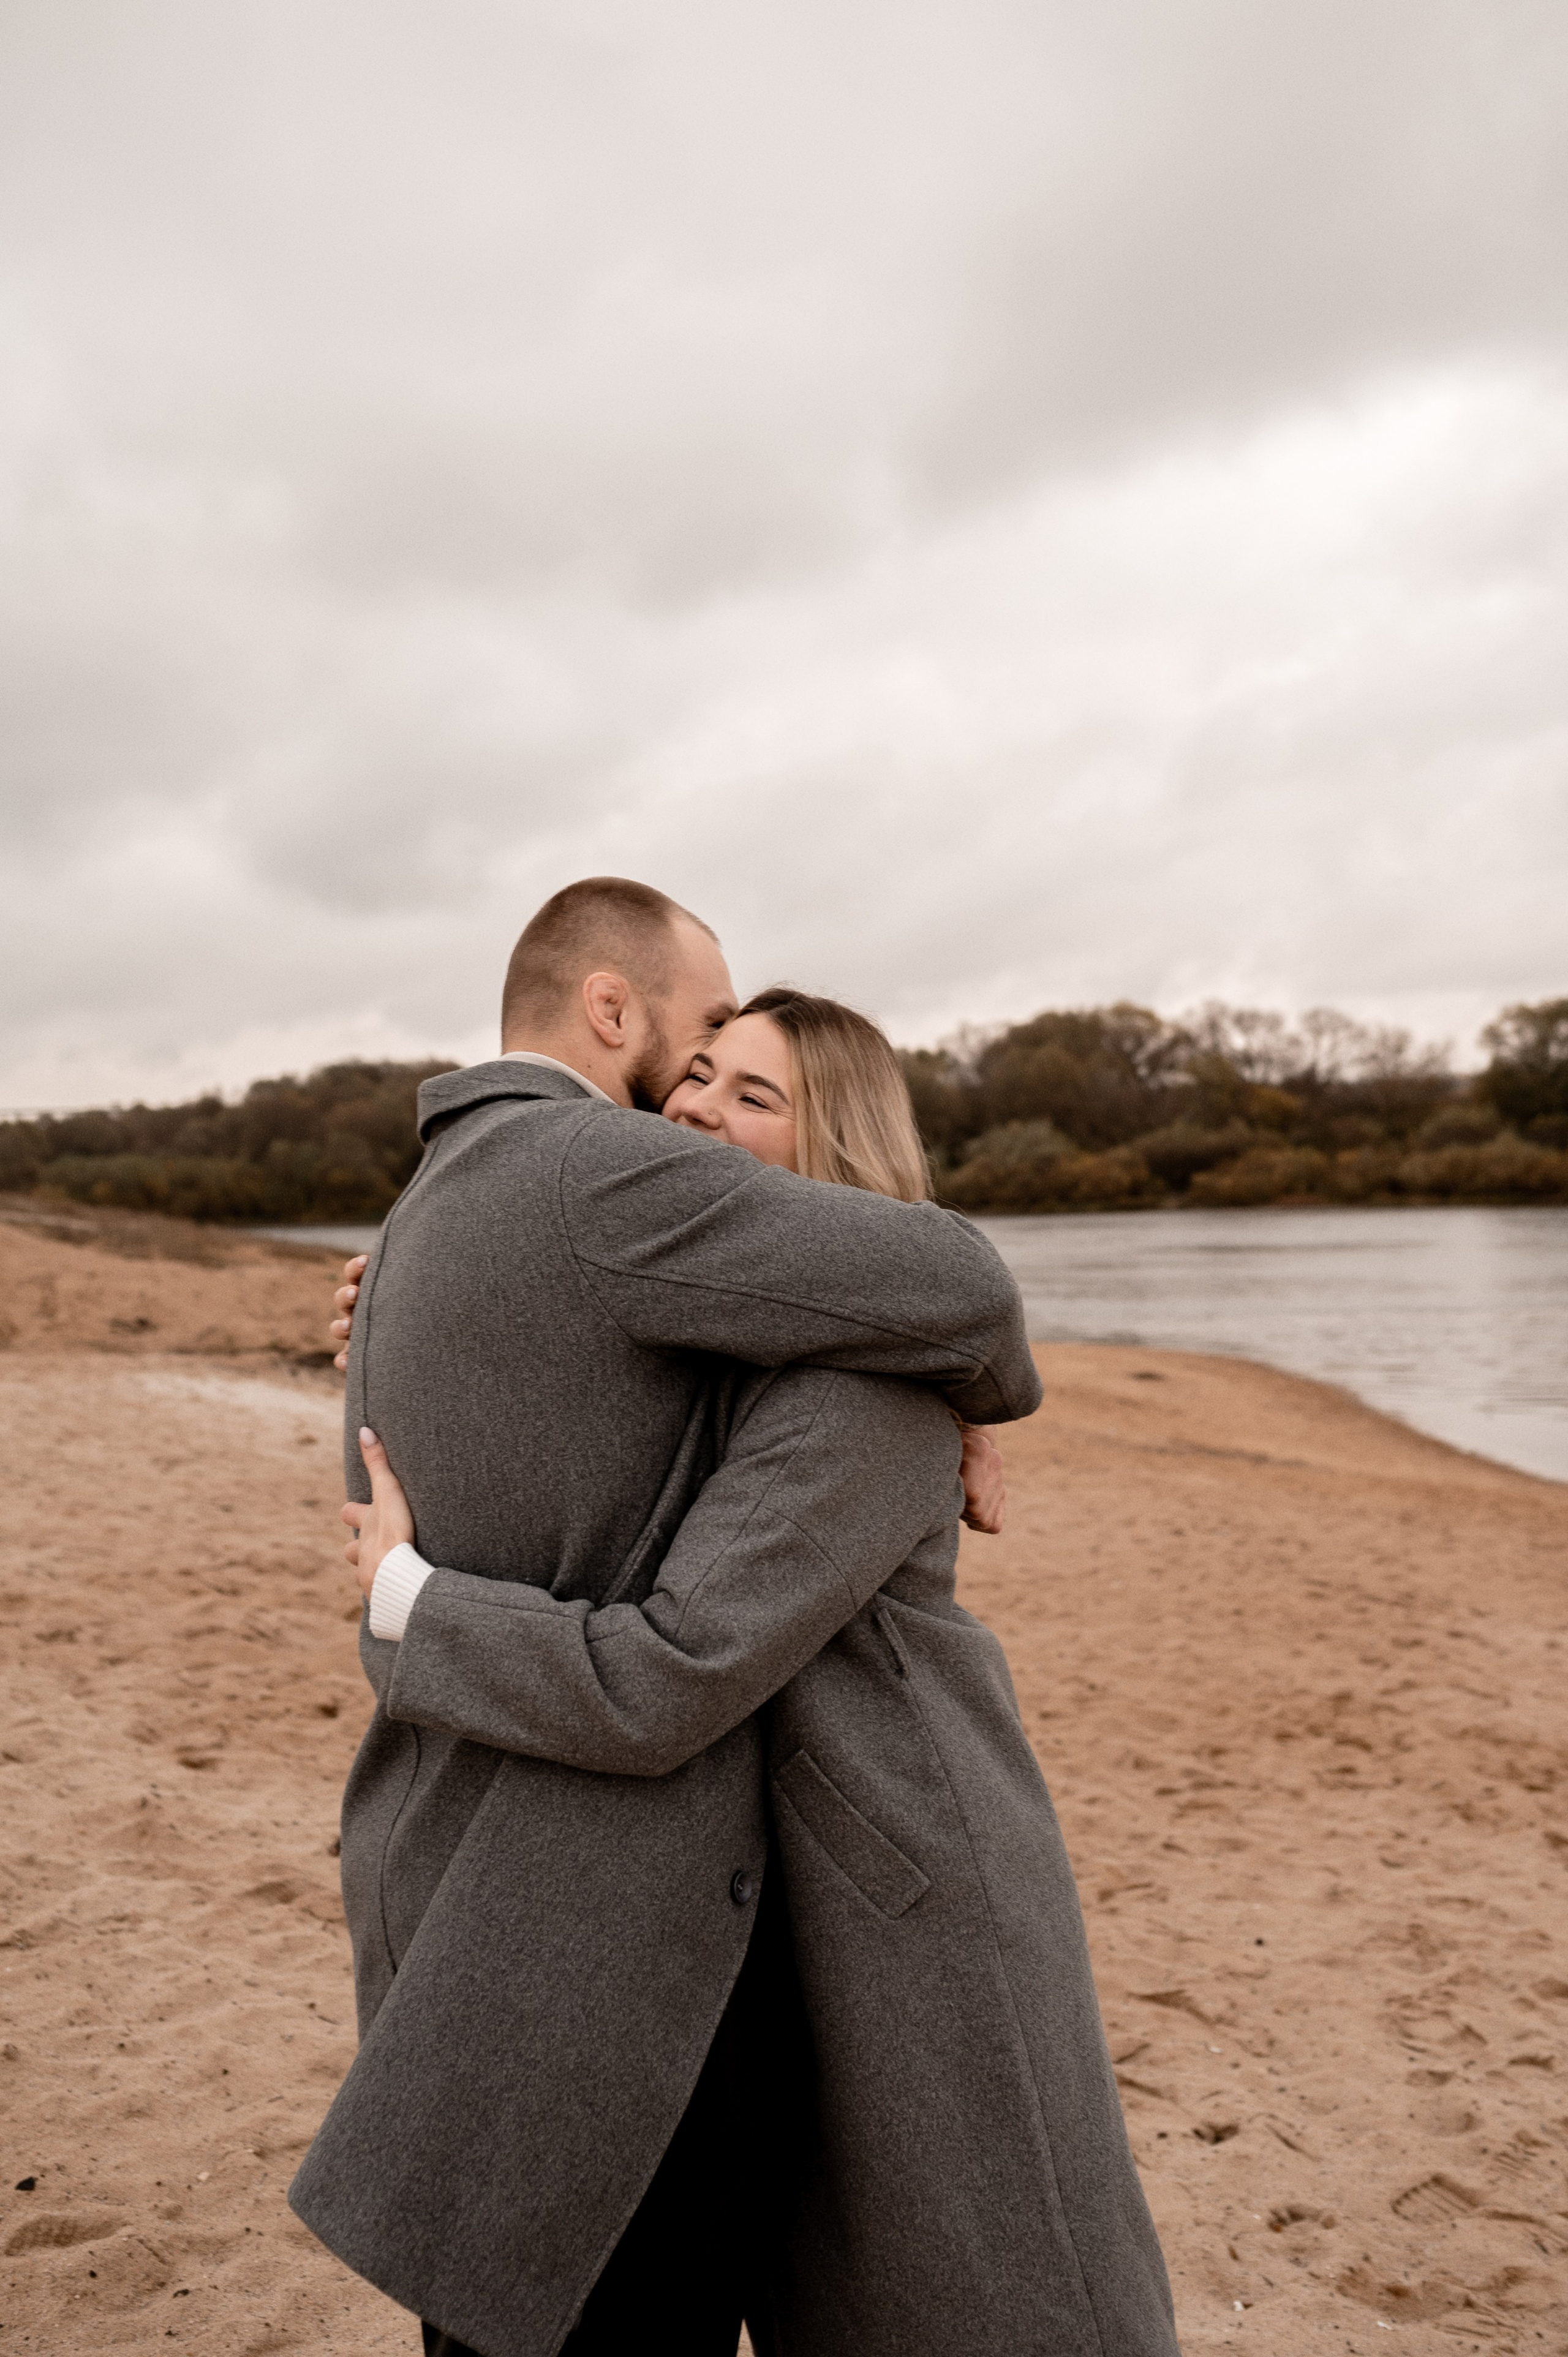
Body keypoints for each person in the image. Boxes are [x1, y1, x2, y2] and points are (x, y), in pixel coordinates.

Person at [309, 965, 1180, 2357]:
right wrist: (427, 1289)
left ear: (831, 1157)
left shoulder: (859, 1394)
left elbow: (667, 1670)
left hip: (895, 1879)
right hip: (752, 1879)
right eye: (699, 1073)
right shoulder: (721, 1330)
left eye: (753, 1093)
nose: (698, 1105)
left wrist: (414, 1602)